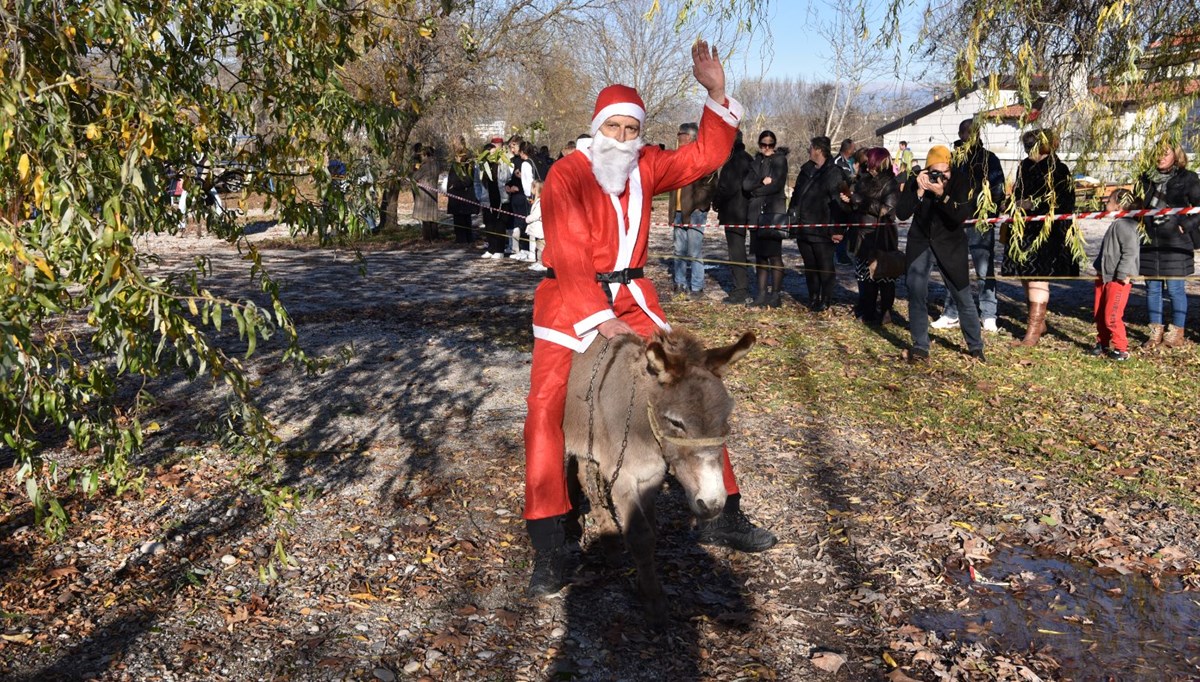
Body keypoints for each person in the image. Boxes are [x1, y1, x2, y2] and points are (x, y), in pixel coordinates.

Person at [524, 41, 777, 598]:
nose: (619, 138)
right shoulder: (567, 174)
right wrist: (595, 316)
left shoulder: (647, 165)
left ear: (639, 132)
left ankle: (725, 510)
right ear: (595, 128)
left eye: (628, 129)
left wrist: (714, 94)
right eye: (610, 127)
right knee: (545, 405)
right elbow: (566, 249)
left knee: (691, 387)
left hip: (634, 296)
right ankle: (548, 538)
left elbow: (704, 157)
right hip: (569, 299)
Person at [896, 145, 985, 363]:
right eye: (935, 171)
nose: (940, 176)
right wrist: (918, 191)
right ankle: (920, 345)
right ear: (927, 169)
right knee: (916, 291)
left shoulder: (960, 181)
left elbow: (960, 215)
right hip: (921, 241)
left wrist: (941, 194)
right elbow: (901, 213)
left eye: (945, 171)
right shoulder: (917, 179)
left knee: (962, 294)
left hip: (951, 244)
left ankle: (975, 346)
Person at [1001, 129, 1078, 346]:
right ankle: (1040, 324)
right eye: (1025, 147)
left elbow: (1064, 202)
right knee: (1025, 276)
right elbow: (1019, 193)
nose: (1028, 151)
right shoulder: (1024, 166)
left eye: (1031, 147)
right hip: (1023, 230)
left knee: (1037, 277)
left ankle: (1032, 333)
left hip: (1046, 233)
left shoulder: (1058, 169)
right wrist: (1011, 203)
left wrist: (1033, 205)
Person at [931, 119, 1006, 333]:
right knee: (954, 268)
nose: (969, 136)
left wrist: (990, 211)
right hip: (955, 221)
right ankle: (951, 312)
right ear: (960, 134)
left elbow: (997, 187)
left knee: (984, 269)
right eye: (965, 132)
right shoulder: (952, 159)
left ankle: (989, 314)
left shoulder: (988, 159)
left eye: (973, 132)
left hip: (980, 221)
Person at [1138, 140, 1200, 349]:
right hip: (1150, 240)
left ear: (1176, 155)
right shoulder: (1144, 177)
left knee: (1175, 289)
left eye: (1166, 153)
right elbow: (1138, 205)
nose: (1161, 157)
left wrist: (1186, 225)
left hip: (1176, 240)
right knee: (1153, 289)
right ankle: (1155, 331)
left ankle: (1177, 332)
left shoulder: (1188, 178)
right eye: (1157, 153)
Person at [840, 147, 901, 324]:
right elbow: (856, 205)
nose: (871, 168)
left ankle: (886, 311)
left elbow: (886, 210)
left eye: (874, 165)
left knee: (884, 277)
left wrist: (863, 201)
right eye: (870, 165)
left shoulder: (891, 183)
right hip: (861, 234)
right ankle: (867, 310)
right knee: (864, 277)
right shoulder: (864, 180)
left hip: (880, 235)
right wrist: (850, 201)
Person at [787, 136, 843, 311]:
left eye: (810, 147)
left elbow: (838, 203)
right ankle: (813, 297)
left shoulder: (834, 172)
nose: (808, 151)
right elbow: (796, 196)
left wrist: (836, 229)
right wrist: (792, 217)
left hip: (822, 229)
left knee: (824, 266)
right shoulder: (805, 170)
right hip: (803, 227)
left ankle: (826, 300)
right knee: (810, 266)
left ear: (819, 149)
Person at [669, 122, 718, 298]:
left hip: (695, 213)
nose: (678, 138)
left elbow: (709, 187)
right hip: (678, 212)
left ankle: (697, 288)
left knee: (694, 252)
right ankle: (680, 284)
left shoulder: (703, 159)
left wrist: (697, 205)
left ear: (688, 137)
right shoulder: (678, 157)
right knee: (678, 251)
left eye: (679, 134)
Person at [1091, 189, 1140, 360]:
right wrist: (1098, 266)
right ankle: (1102, 342)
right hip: (1104, 276)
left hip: (1117, 279)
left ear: (1118, 205)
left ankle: (1121, 348)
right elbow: (1106, 251)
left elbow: (1130, 251)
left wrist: (1123, 273)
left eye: (1109, 201)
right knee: (1099, 312)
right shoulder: (1116, 223)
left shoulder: (1125, 225)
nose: (1106, 204)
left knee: (1112, 315)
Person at [743, 130, 789, 308]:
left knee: (774, 256)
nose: (767, 148)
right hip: (755, 214)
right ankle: (761, 294)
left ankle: (775, 294)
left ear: (774, 145)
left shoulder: (779, 161)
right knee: (760, 257)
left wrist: (756, 190)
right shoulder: (756, 161)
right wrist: (762, 182)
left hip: (772, 213)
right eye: (763, 144)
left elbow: (777, 186)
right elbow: (746, 185)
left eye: (770, 144)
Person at [713, 130, 754, 304]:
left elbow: (726, 187)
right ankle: (741, 286)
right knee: (739, 251)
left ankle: (740, 290)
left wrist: (717, 202)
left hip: (734, 212)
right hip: (745, 211)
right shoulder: (748, 158)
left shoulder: (734, 161)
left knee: (736, 252)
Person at [478, 137, 512, 259]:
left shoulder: (502, 163)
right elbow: (478, 182)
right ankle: (491, 248)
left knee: (500, 224)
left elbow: (507, 178)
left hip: (501, 198)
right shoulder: (482, 165)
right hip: (487, 198)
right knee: (489, 224)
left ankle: (499, 249)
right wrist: (479, 196)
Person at [446, 135, 479, 245]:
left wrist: (455, 185)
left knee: (464, 218)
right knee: (459, 218)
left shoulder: (467, 161)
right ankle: (461, 238)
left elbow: (468, 178)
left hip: (463, 194)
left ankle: (465, 239)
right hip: (456, 196)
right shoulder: (456, 159)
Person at [410, 144, 441, 242]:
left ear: (425, 154)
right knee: (432, 217)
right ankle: (435, 237)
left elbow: (415, 177)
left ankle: (427, 238)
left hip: (424, 192)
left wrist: (414, 170)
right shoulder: (436, 164)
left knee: (425, 217)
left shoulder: (425, 165)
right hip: (433, 191)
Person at [526, 179, 547, 272]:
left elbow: (536, 215)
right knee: (538, 246)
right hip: (537, 230)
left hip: (540, 230)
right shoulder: (537, 201)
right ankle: (538, 261)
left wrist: (528, 219)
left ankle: (542, 263)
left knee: (541, 247)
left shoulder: (540, 202)